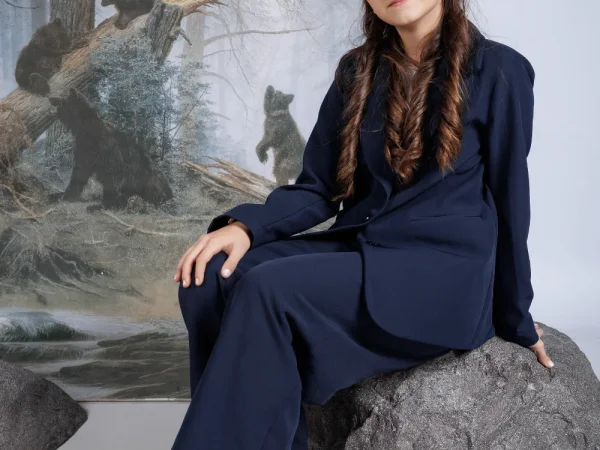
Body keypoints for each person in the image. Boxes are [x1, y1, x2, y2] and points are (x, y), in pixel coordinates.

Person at [171, 0, 553, 448]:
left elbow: (511, 198)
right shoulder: (358, 70)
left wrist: (515, 318)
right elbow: (319, 187)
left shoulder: (500, 69)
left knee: (267, 288)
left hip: (442, 273)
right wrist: (244, 228)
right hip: (365, 246)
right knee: (209, 276)